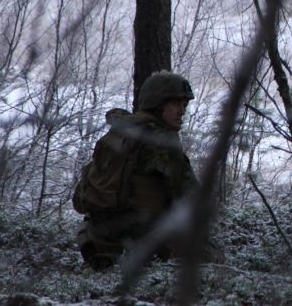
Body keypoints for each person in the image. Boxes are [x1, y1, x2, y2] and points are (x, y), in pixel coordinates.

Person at [73, 70, 198, 270]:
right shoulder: (161, 141)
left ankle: (101, 251)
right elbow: (189, 194)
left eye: (184, 105)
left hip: (101, 230)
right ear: (157, 104)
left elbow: (81, 197)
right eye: (175, 104)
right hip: (145, 233)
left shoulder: (116, 134)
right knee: (208, 252)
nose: (181, 111)